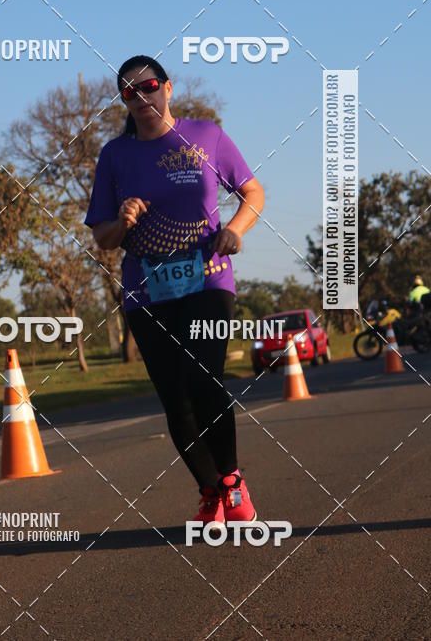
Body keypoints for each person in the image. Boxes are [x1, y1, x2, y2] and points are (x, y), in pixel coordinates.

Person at [84, 54, 265, 526]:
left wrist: (237, 230)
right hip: (146, 291)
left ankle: (231, 481)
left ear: (169, 87)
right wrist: (120, 222)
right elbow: (101, 238)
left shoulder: (206, 136)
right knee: (174, 396)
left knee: (204, 379)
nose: (141, 98)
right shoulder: (114, 156)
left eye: (148, 86)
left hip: (208, 277)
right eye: (129, 92)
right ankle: (209, 490)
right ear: (123, 101)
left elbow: (253, 191)